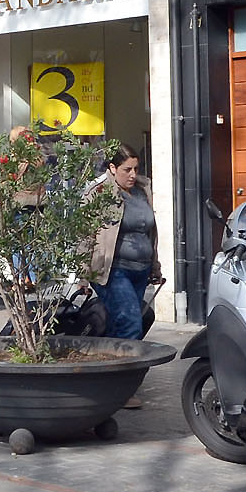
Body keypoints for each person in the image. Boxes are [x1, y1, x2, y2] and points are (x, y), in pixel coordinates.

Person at [88, 142, 163, 343]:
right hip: (113, 271)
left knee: (117, 325)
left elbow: (149, 233)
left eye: (136, 169)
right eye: (127, 169)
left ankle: (107, 370)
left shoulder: (141, 191)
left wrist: (154, 266)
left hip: (141, 271)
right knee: (130, 324)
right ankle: (127, 371)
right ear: (113, 168)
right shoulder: (101, 192)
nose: (132, 174)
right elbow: (85, 233)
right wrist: (80, 275)